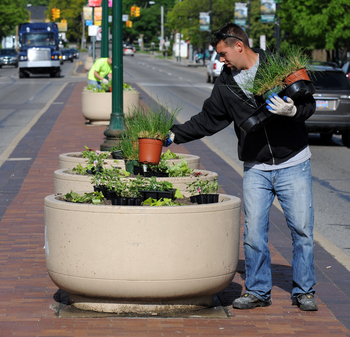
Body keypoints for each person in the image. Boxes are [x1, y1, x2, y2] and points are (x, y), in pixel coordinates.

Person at [165, 22, 318, 311]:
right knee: (254, 233)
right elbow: (208, 120)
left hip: (293, 162)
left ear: (239, 45)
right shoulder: (226, 83)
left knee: (301, 230)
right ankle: (258, 291)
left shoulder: (278, 65)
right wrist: (174, 135)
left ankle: (304, 291)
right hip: (256, 166)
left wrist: (294, 110)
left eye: (223, 53)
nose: (221, 59)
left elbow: (309, 103)